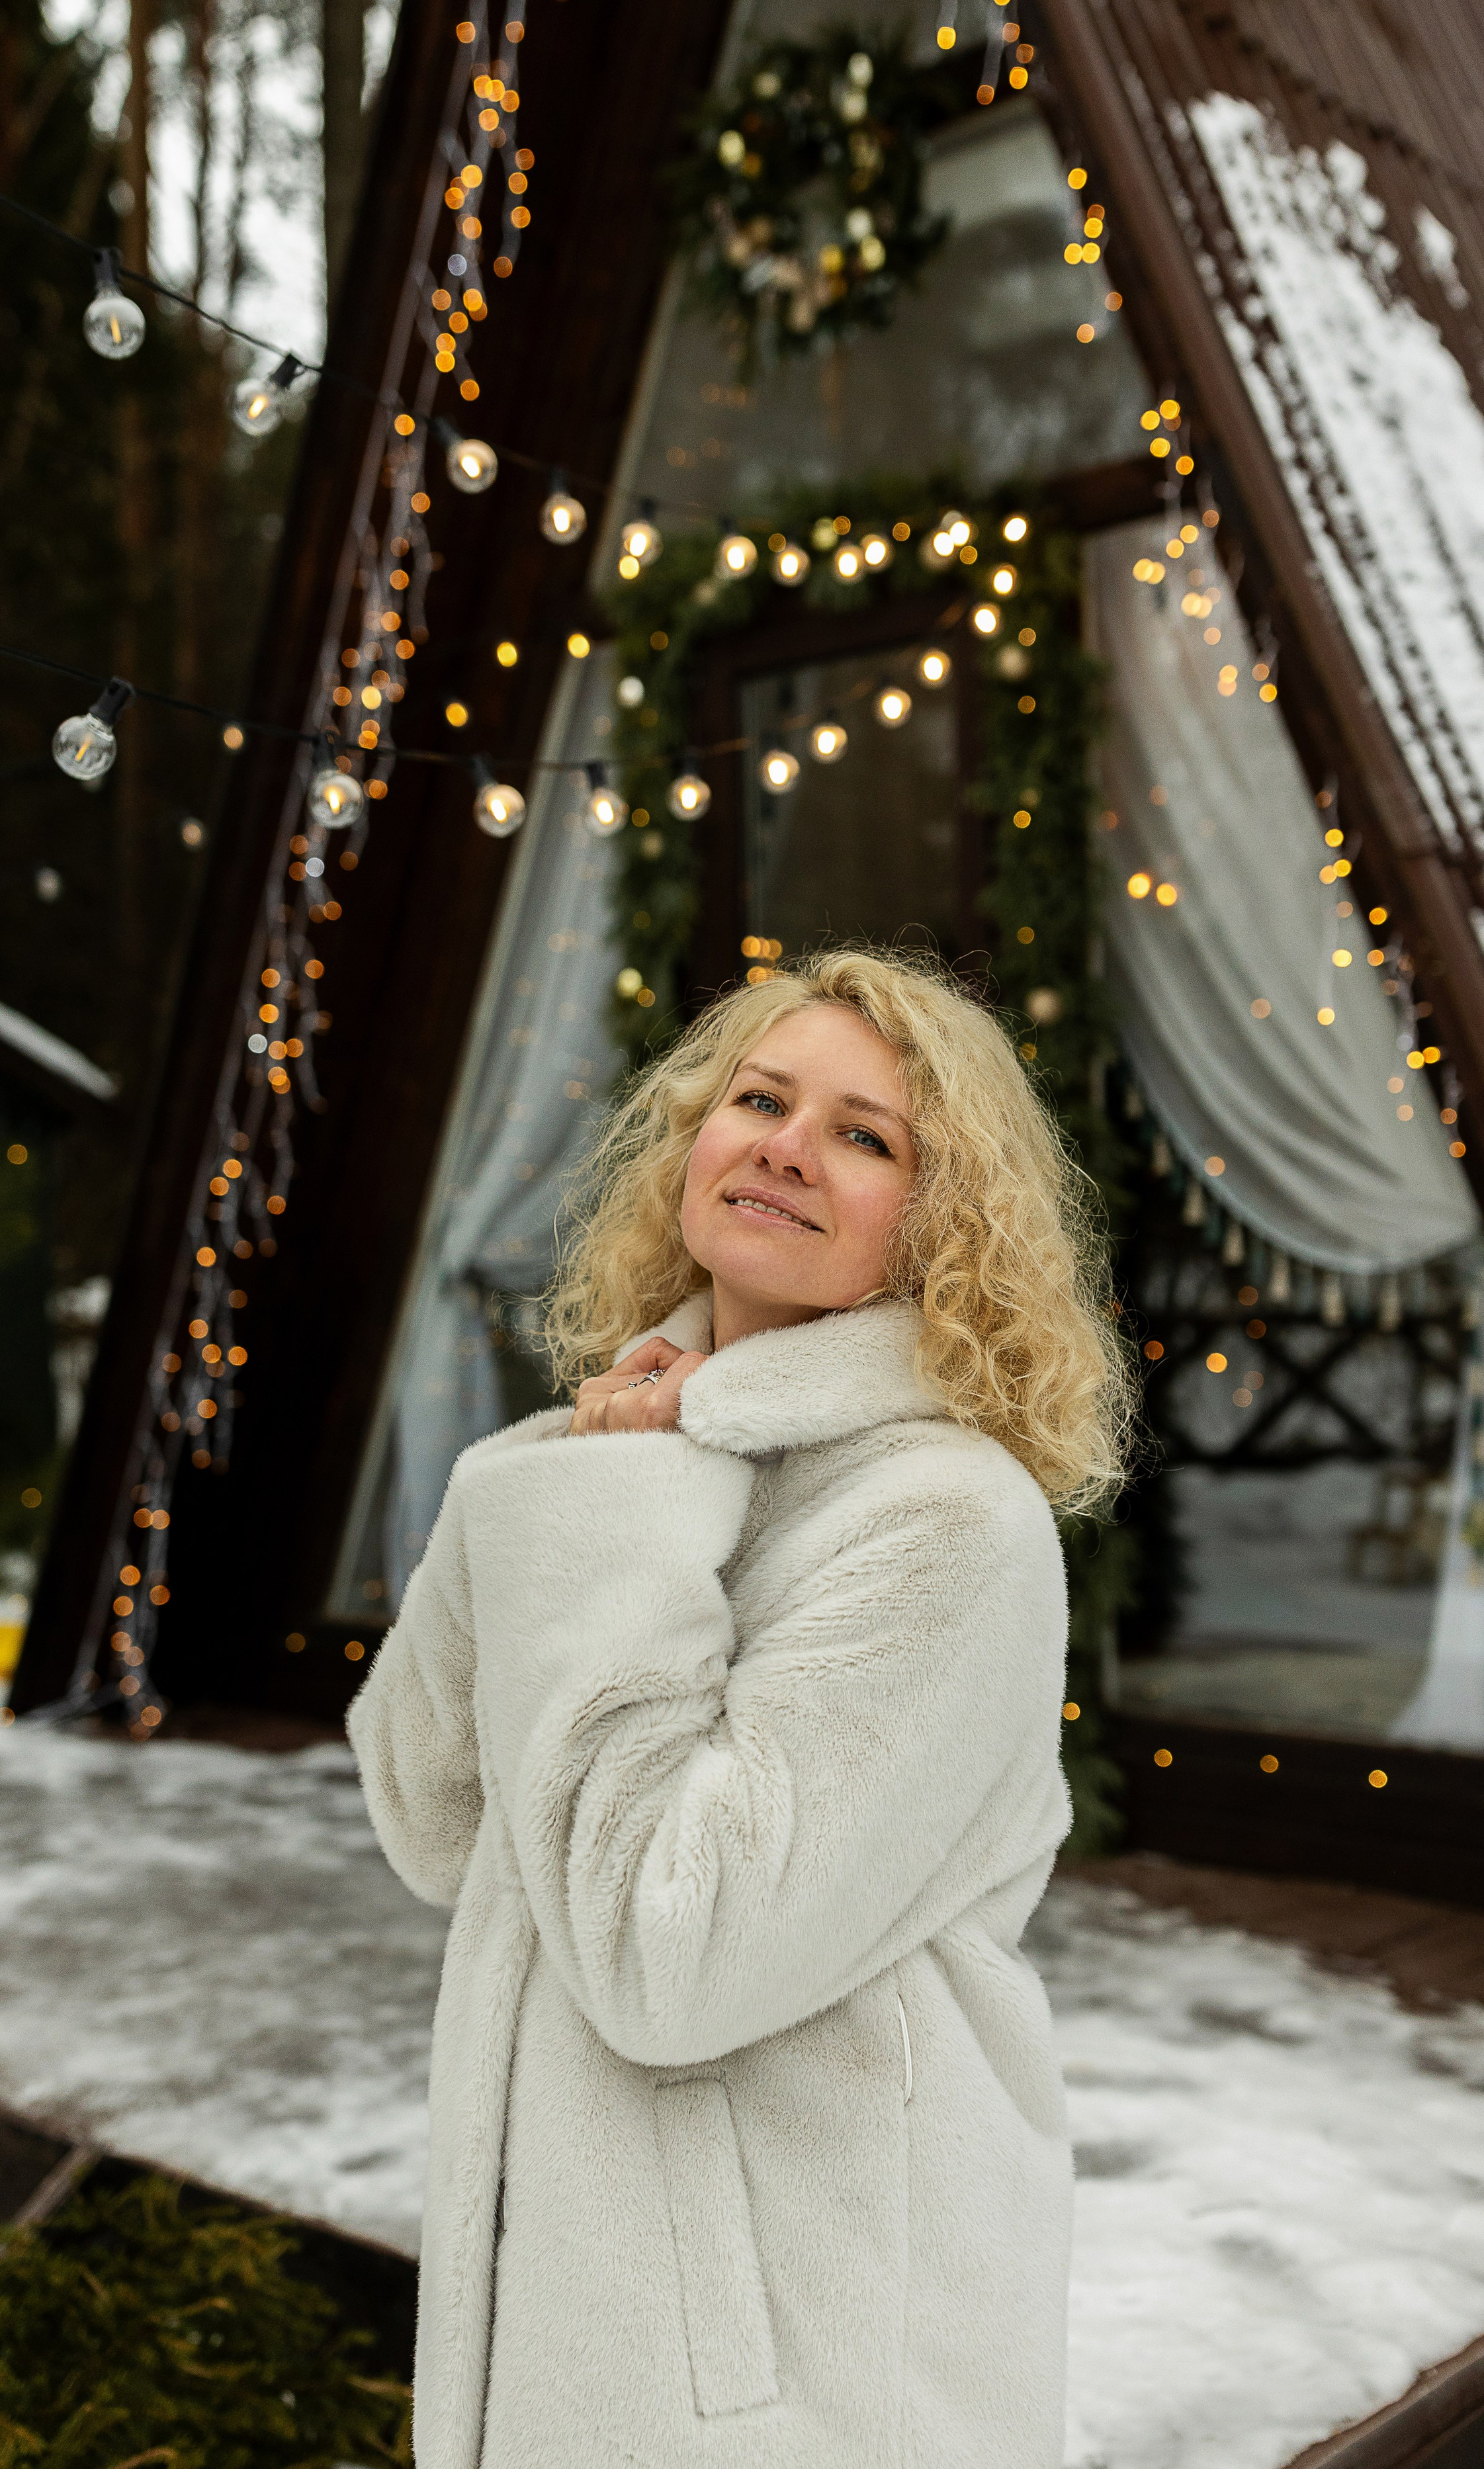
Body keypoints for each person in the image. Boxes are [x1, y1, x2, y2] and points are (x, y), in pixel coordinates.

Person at [349, 945, 1133, 2469]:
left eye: (864, 1133)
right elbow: (432, 1814)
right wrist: (541, 1490)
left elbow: (673, 1953)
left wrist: (614, 1520)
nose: (784, 1142)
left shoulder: (941, 1521)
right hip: (576, 2306)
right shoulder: (621, 1452)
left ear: (938, 1222)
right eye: (758, 1098)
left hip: (799, 2352)